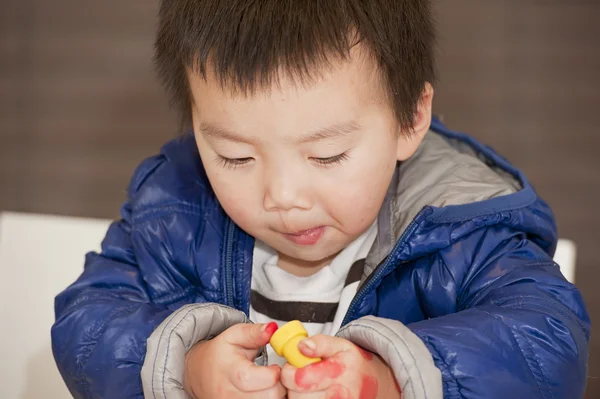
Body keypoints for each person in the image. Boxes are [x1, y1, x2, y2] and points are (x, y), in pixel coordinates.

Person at [51, 1, 590, 398]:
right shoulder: (172, 211)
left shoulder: (460, 229)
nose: (282, 197)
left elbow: (548, 341)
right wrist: (186, 367)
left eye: (327, 156)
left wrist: (390, 379)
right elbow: (86, 321)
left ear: (410, 119)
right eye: (236, 157)